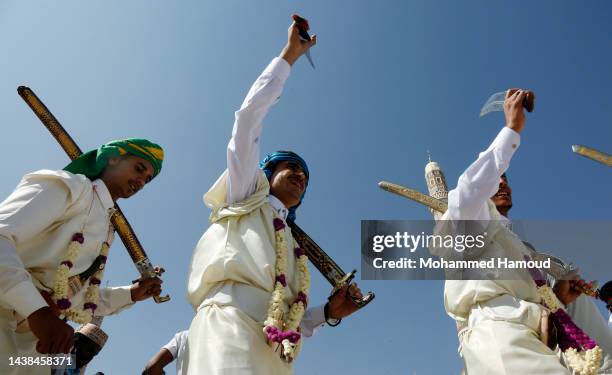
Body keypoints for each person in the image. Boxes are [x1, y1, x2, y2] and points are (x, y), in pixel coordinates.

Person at [184, 17, 363, 375]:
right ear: (267, 173)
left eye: (306, 178)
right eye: (292, 168)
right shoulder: (246, 194)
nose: (300, 177)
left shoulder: (292, 244)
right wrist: (288, 57)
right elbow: (247, 121)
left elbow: (288, 313)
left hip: (277, 350)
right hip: (228, 326)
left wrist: (328, 314)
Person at [433, 89, 611, 374]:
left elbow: (524, 299)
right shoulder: (470, 219)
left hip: (535, 339)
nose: (501, 184)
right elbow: (468, 191)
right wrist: (511, 130)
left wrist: (559, 299)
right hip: (498, 339)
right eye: (495, 181)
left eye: (506, 180)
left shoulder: (516, 247)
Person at [0, 139, 165, 375]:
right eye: (139, 168)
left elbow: (76, 299)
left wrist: (131, 294)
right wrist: (37, 310)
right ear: (113, 158)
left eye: (148, 179)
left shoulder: (108, 230)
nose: (142, 181)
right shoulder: (70, 187)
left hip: (30, 353)